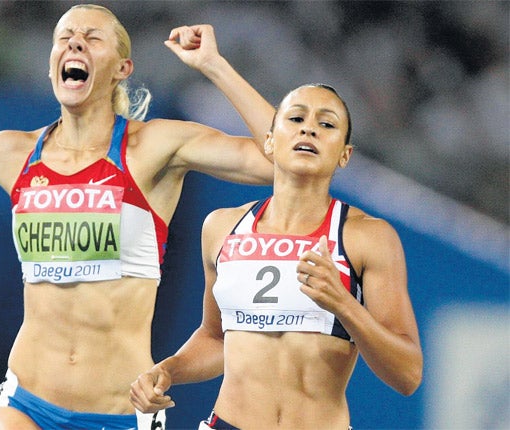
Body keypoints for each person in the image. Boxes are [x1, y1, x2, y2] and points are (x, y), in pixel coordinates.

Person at [0, 5, 275, 430]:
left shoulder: (154, 147)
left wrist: (214, 67)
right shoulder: (10, 151)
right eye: (65, 36)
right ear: (53, 64)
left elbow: (279, 160)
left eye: (92, 37)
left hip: (120, 412)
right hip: (26, 401)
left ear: (122, 67)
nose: (74, 42)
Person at [129, 83, 424, 429]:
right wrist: (167, 369)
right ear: (269, 141)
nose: (309, 128)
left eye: (326, 124)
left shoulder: (366, 237)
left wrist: (344, 304)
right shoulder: (222, 228)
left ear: (345, 154)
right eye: (296, 118)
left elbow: (408, 375)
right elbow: (215, 337)